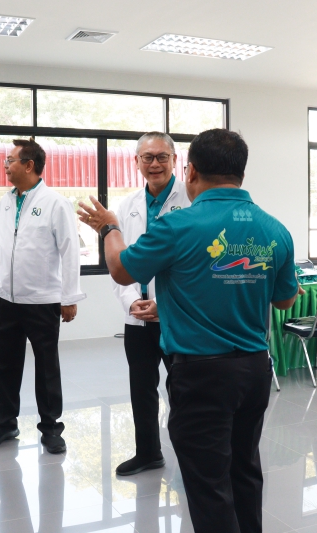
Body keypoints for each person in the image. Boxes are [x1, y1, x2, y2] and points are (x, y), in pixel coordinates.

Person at [77, 129, 302, 533]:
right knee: (244, 469)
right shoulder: (276, 230)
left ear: (190, 170)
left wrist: (110, 228)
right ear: (241, 173)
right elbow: (285, 301)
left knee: (208, 484)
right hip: (255, 371)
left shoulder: (178, 226)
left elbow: (121, 269)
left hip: (202, 375)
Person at [0, 138, 86, 454]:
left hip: (43, 301)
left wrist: (69, 297)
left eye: (9, 160)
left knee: (46, 367)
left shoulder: (56, 203)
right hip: (6, 299)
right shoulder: (5, 201)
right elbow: (1, 243)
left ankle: (51, 428)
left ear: (28, 165)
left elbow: (70, 251)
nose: (4, 166)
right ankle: (5, 423)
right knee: (4, 364)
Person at [111, 132, 191, 476]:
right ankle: (148, 453)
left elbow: (195, 265)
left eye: (161, 157)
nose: (154, 164)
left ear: (175, 160)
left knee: (184, 390)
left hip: (177, 318)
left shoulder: (191, 200)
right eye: (147, 157)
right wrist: (131, 300)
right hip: (138, 318)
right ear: (137, 162)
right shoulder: (126, 206)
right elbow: (119, 260)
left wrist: (162, 303)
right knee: (141, 388)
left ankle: (191, 456)